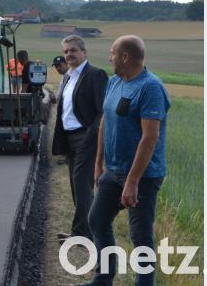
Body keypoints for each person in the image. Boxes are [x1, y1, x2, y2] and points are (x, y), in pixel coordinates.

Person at [80, 35, 170, 286]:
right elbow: (105, 122)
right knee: (97, 219)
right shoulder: (114, 82)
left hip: (144, 175)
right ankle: (104, 279)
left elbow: (150, 138)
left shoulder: (150, 87)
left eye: (112, 53)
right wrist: (99, 163)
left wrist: (132, 181)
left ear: (125, 57)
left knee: (140, 235)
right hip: (114, 169)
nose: (109, 58)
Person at [52, 35, 108, 244]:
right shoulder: (67, 77)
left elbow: (102, 111)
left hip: (87, 136)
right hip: (70, 137)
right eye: (66, 51)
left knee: (82, 184)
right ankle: (85, 232)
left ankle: (81, 234)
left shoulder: (95, 74)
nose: (69, 55)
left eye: (73, 50)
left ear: (84, 53)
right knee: (76, 186)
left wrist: (91, 136)